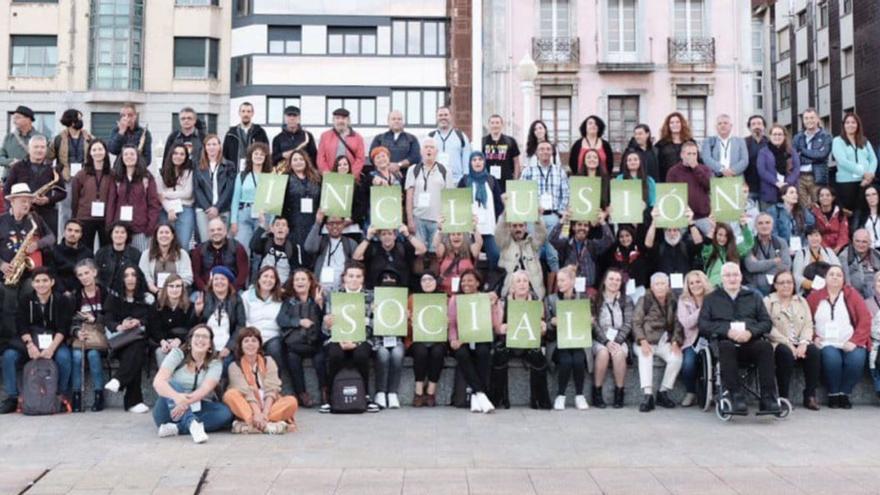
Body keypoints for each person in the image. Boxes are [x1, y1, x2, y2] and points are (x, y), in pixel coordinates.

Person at [698, 262, 779, 415]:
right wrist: (726, 331)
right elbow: (703, 325)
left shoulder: (754, 296)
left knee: (765, 347)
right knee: (726, 347)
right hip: (724, 343)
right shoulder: (711, 299)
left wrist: (750, 332)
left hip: (750, 342)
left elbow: (766, 323)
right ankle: (735, 396)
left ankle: (768, 398)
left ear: (741, 277)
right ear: (721, 278)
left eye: (735, 275)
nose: (732, 278)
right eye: (728, 275)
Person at [0, 267, 73, 414]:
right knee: (9, 356)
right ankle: (13, 398)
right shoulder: (25, 299)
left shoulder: (62, 300)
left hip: (54, 340)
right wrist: (30, 346)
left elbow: (63, 328)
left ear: (52, 282)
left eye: (45, 280)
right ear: (32, 284)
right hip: (30, 339)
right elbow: (21, 325)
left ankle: (59, 395)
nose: (41, 284)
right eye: (37, 281)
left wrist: (51, 348)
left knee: (64, 357)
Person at [152, 325, 233, 443]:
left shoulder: (215, 363)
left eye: (205, 337)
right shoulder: (177, 354)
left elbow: (205, 389)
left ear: (210, 344)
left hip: (196, 404)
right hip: (168, 410)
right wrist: (177, 398)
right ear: (190, 341)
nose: (200, 339)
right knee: (173, 384)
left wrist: (185, 402)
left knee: (225, 413)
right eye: (197, 336)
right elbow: (158, 382)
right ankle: (192, 424)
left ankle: (178, 428)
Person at [806, 264, 871, 409]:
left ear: (844, 279)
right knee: (831, 358)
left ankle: (845, 393)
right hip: (826, 342)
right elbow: (805, 320)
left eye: (839, 275)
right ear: (825, 278)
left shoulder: (852, 294)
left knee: (857, 359)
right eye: (831, 274)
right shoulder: (814, 297)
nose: (835, 277)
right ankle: (833, 394)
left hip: (850, 341)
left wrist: (855, 341)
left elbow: (865, 319)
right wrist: (814, 336)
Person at [320, 262, 380, 413]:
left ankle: (365, 395)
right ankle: (331, 397)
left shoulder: (371, 296)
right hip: (338, 338)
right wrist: (328, 326)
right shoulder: (334, 296)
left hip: (362, 338)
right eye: (351, 276)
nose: (354, 279)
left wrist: (356, 341)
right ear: (344, 278)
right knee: (335, 354)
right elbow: (326, 326)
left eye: (358, 276)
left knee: (361, 354)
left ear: (362, 279)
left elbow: (373, 324)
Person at [0, 183, 55, 345]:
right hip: (8, 273)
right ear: (12, 201)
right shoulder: (1, 220)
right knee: (9, 306)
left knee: (28, 304)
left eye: (29, 201)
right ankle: (10, 341)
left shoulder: (34, 219)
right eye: (23, 201)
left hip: (29, 274)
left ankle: (28, 338)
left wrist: (37, 245)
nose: (27, 204)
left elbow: (51, 237)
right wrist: (2, 264)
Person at [223, 327, 298, 434]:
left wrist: (264, 414)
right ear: (241, 345)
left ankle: (251, 426)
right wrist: (257, 413)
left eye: (254, 340)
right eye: (246, 341)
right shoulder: (234, 366)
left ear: (259, 344)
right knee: (230, 395)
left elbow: (272, 389)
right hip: (247, 406)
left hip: (269, 405)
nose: (250, 344)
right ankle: (267, 425)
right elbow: (246, 392)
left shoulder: (269, 361)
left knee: (291, 401)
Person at [493, 270, 550, 410]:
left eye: (525, 281)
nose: (522, 284)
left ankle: (539, 400)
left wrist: (543, 328)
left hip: (528, 342)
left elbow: (542, 326)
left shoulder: (537, 302)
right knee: (499, 356)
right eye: (518, 281)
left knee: (538, 357)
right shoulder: (503, 302)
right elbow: (496, 328)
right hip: (509, 342)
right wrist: (502, 328)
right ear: (512, 286)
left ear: (529, 284)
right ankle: (498, 398)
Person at [764, 271, 820, 410]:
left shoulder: (801, 301)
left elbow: (808, 324)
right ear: (775, 285)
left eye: (789, 282)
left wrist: (804, 342)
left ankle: (810, 395)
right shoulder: (768, 301)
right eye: (781, 283)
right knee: (785, 354)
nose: (786, 286)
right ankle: (784, 397)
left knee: (814, 352)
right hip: (779, 342)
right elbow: (767, 327)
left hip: (799, 341)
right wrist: (788, 343)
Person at [447, 269, 497, 413]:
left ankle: (476, 395)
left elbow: (492, 323)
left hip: (480, 337)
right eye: (463, 281)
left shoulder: (484, 298)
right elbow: (452, 324)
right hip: (461, 340)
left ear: (477, 283)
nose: (465, 284)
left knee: (483, 352)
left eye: (470, 280)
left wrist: (494, 305)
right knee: (462, 354)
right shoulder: (455, 299)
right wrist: (453, 339)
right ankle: (481, 394)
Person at [631, 273, 683, 412]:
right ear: (652, 286)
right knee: (645, 356)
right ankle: (648, 395)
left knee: (676, 358)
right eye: (657, 284)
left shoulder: (673, 300)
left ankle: (663, 392)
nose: (660, 287)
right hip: (644, 340)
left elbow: (678, 323)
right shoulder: (644, 300)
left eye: (663, 284)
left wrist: (675, 341)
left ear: (668, 286)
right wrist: (642, 340)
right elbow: (636, 322)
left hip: (663, 341)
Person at [102, 264, 150, 413]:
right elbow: (107, 319)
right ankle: (133, 401)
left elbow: (153, 320)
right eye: (126, 275)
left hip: (141, 338)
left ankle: (119, 380)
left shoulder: (147, 298)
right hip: (120, 341)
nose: (130, 279)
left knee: (136, 347)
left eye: (133, 275)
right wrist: (119, 326)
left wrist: (139, 322)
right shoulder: (114, 298)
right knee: (133, 352)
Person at [277, 268, 326, 408]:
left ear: (310, 282)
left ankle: (324, 390)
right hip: (296, 343)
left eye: (303, 279)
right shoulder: (288, 301)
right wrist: (298, 322)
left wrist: (320, 305)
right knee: (292, 359)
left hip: (315, 342)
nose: (300, 282)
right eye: (297, 279)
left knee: (320, 358)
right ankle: (302, 394)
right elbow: (281, 319)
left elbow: (325, 321)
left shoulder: (318, 298)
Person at [546, 266, 590, 410]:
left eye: (563, 280)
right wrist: (552, 323)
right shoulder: (550, 299)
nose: (559, 283)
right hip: (558, 342)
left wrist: (590, 321)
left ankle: (579, 395)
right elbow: (545, 325)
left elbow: (590, 326)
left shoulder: (582, 299)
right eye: (558, 281)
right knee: (566, 360)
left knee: (578, 360)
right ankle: (560, 395)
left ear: (572, 281)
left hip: (578, 341)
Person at [5, 135, 66, 236]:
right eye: (36, 147)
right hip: (23, 215)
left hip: (47, 215)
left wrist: (48, 199)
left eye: (42, 147)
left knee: (48, 247)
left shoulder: (53, 168)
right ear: (29, 149)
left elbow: (63, 192)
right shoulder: (17, 167)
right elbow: (7, 190)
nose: (39, 150)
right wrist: (12, 209)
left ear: (46, 149)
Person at [105, 144, 162, 252]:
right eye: (125, 154)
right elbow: (111, 203)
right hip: (121, 229)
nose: (129, 157)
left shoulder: (146, 177)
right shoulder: (117, 177)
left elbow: (153, 203)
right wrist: (110, 226)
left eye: (132, 154)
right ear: (121, 157)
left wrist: (150, 227)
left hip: (141, 228)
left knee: (140, 260)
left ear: (137, 156)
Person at [69, 259, 108, 412]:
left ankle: (99, 395)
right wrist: (77, 332)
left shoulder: (104, 292)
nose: (84, 277)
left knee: (93, 355)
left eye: (87, 273)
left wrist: (96, 319)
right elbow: (69, 320)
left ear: (94, 273)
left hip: (99, 336)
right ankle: (77, 395)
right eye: (80, 275)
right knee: (77, 356)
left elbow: (111, 316)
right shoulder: (75, 295)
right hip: (81, 335)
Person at [590, 268, 631, 408]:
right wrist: (606, 342)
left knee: (619, 354)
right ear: (605, 281)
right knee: (603, 353)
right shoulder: (595, 298)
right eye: (611, 279)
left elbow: (628, 323)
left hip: (620, 338)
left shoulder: (626, 299)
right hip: (600, 338)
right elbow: (593, 324)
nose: (614, 282)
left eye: (618, 280)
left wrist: (617, 341)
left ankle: (619, 392)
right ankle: (597, 392)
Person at [405, 137, 455, 250]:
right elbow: (409, 197)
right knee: (418, 253)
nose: (429, 150)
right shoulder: (413, 170)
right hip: (418, 219)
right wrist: (410, 220)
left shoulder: (445, 171)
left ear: (436, 152)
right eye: (426, 147)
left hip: (438, 220)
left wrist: (447, 221)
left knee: (436, 254)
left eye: (432, 147)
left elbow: (450, 198)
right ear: (421, 151)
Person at [193, 266, 246, 370]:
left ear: (228, 282)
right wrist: (197, 312)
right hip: (205, 344)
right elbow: (194, 326)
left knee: (224, 366)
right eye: (216, 279)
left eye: (223, 279)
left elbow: (241, 325)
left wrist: (229, 347)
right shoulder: (204, 297)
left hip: (226, 345)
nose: (219, 282)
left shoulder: (236, 299)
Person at [242, 266, 286, 391]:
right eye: (265, 276)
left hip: (273, 337)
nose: (268, 280)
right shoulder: (246, 296)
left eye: (272, 277)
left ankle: (275, 387)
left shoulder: (281, 297)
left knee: (275, 348)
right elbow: (243, 319)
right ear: (259, 279)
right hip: (252, 335)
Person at [457, 151, 504, 267]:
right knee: (468, 256)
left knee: (495, 255)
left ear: (484, 162)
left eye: (480, 159)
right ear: (470, 163)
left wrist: (492, 218)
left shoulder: (491, 180)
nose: (477, 162)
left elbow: (499, 204)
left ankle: (490, 282)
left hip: (488, 228)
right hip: (470, 229)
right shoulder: (465, 181)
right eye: (474, 160)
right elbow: (458, 203)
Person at [408, 271, 447, 407]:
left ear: (436, 282)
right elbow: (404, 326)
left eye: (430, 279)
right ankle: (418, 391)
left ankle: (431, 391)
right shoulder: (413, 299)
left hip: (437, 338)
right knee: (420, 351)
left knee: (438, 352)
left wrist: (447, 321)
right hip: (417, 338)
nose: (427, 282)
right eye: (424, 280)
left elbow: (451, 322)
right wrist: (409, 320)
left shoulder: (444, 299)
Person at [549, 209, 614, 290]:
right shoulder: (566, 244)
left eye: (586, 225)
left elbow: (609, 241)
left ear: (589, 229)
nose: (582, 228)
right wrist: (562, 220)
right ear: (573, 227)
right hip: (570, 289)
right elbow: (552, 239)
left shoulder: (593, 245)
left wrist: (602, 222)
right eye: (579, 224)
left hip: (589, 291)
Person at [520, 140, 569, 246]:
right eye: (541, 149)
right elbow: (522, 194)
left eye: (548, 149)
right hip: (534, 217)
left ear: (552, 152)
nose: (545, 152)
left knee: (553, 254)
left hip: (554, 216)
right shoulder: (528, 171)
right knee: (534, 251)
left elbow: (565, 195)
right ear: (537, 153)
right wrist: (533, 208)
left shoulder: (560, 171)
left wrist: (559, 214)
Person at [677, 270, 712, 407]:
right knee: (688, 364)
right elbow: (686, 323)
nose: (695, 285)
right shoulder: (683, 300)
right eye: (691, 283)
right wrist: (703, 309)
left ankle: (713, 392)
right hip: (692, 339)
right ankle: (690, 392)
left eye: (698, 282)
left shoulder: (713, 297)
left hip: (711, 337)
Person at [230, 142, 272, 254]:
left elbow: (273, 201)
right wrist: (233, 221)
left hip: (263, 215)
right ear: (251, 156)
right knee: (242, 249)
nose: (258, 156)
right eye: (256, 153)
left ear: (266, 157)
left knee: (259, 250)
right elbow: (235, 199)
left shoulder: (271, 176)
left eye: (262, 154)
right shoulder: (242, 175)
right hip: (244, 213)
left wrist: (271, 221)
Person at [832, 112, 877, 215]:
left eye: (853, 122)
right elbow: (842, 161)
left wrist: (870, 174)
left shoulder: (864, 140)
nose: (850, 125)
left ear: (858, 125)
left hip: (865, 182)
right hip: (847, 184)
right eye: (847, 122)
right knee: (850, 213)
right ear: (843, 125)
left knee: (865, 212)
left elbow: (873, 159)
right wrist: (863, 172)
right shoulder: (837, 141)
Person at [353, 224, 425, 290]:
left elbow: (422, 250)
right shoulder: (372, 248)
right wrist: (368, 238)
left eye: (390, 234)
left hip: (401, 291)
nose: (387, 237)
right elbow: (356, 257)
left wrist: (407, 234)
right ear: (379, 237)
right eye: (383, 234)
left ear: (395, 236)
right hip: (376, 291)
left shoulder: (403, 248)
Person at [194, 134, 236, 243]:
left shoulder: (229, 166)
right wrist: (208, 208)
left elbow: (229, 189)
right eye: (209, 144)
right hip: (204, 211)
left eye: (214, 144)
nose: (211, 147)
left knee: (222, 241)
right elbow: (197, 189)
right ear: (205, 147)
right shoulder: (198, 166)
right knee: (206, 241)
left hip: (222, 209)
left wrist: (217, 207)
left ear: (219, 147)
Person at [70, 139, 112, 249]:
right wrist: (75, 219)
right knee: (85, 250)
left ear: (105, 152)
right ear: (90, 153)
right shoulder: (81, 175)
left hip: (106, 219)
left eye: (100, 149)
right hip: (85, 218)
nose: (97, 152)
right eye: (94, 150)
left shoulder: (112, 174)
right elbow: (75, 198)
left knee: (106, 250)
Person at [666, 141, 713, 235]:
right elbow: (670, 195)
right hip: (681, 216)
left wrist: (696, 168)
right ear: (682, 155)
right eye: (688, 154)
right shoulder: (673, 171)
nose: (691, 156)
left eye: (694, 154)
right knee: (674, 239)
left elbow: (710, 186)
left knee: (713, 238)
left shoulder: (705, 169)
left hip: (702, 216)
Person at [148, 274, 196, 366]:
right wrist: (162, 341)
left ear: (182, 288)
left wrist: (179, 340)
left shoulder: (190, 306)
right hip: (162, 343)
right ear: (166, 288)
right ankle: (164, 379)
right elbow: (154, 328)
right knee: (160, 353)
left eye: (178, 286)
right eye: (171, 286)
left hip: (183, 343)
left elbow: (190, 327)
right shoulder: (156, 306)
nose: (174, 289)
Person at [304, 209, 358, 293]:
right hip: (320, 289)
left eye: (338, 223)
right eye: (331, 223)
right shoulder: (321, 240)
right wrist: (317, 222)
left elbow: (356, 266)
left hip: (343, 290)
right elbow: (309, 248)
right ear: (326, 225)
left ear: (343, 224)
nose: (335, 226)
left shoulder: (351, 243)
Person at [190, 217, 249, 293]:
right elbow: (195, 275)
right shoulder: (199, 250)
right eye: (212, 230)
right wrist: (205, 289)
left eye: (219, 229)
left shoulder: (237, 248)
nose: (216, 232)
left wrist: (232, 289)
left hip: (233, 290)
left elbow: (243, 273)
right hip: (206, 290)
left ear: (225, 231)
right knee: (193, 299)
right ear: (208, 233)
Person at [280, 149, 321, 252]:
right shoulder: (285, 178)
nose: (298, 162)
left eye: (301, 159)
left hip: (313, 220)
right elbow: (282, 203)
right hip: (294, 222)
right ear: (290, 163)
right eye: (295, 160)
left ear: (306, 161)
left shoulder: (317, 178)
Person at [644, 207, 703, 277]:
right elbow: (648, 244)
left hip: (684, 285)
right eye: (669, 230)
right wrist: (654, 223)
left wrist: (691, 223)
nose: (672, 234)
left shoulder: (686, 246)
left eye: (675, 230)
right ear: (664, 232)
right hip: (664, 286)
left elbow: (698, 242)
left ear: (680, 232)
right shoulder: (660, 247)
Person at [496, 214, 545, 299]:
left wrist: (538, 218)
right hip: (510, 291)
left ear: (526, 227)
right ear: (509, 227)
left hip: (533, 292)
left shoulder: (532, 242)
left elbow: (541, 235)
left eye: (521, 226)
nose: (518, 229)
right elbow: (499, 232)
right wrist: (505, 213)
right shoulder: (505, 242)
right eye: (514, 226)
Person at [157, 143, 196, 249]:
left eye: (182, 154)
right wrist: (169, 209)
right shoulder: (162, 172)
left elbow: (188, 193)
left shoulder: (189, 172)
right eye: (175, 153)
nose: (178, 156)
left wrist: (166, 194)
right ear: (170, 155)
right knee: (165, 245)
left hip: (185, 209)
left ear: (186, 157)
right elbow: (159, 195)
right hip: (166, 211)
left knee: (183, 244)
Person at [138, 223, 194, 297]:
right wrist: (156, 291)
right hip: (153, 292)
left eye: (167, 233)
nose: (164, 235)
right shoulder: (146, 254)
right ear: (156, 236)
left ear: (172, 236)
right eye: (161, 233)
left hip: (177, 293)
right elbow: (144, 275)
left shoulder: (182, 254)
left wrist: (173, 289)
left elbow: (187, 277)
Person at [793, 108, 833, 209]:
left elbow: (822, 155)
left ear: (818, 119)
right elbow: (793, 157)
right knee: (803, 208)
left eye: (812, 117)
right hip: (800, 177)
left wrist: (802, 151)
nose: (809, 120)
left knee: (819, 207)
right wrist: (813, 156)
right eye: (806, 118)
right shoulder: (798, 137)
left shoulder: (826, 136)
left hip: (817, 177)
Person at [744, 213, 791, 296]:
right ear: (755, 226)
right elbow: (751, 267)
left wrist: (759, 265)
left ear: (772, 225)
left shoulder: (781, 242)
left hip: (777, 286)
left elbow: (785, 266)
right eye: (760, 223)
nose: (764, 226)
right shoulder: (749, 243)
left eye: (767, 222)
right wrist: (774, 262)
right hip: (755, 288)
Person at [757, 125, 800, 210]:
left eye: (780, 134)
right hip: (769, 192)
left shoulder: (792, 151)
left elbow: (796, 169)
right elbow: (762, 170)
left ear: (784, 136)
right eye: (774, 134)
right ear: (770, 136)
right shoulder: (763, 152)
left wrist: (787, 183)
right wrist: (776, 182)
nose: (777, 137)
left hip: (789, 192)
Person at [250, 215, 303, 286]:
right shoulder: (266, 242)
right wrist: (261, 227)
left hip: (283, 286)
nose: (280, 227)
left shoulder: (293, 247)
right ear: (272, 229)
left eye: (283, 225)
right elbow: (253, 246)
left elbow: (296, 270)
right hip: (264, 283)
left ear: (287, 230)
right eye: (277, 225)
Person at [702, 218, 753, 287]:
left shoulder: (735, 250)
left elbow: (748, 243)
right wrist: (712, 231)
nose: (722, 238)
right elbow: (707, 246)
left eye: (726, 236)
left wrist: (744, 227)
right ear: (715, 234)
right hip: (714, 287)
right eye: (720, 235)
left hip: (732, 287)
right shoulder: (711, 250)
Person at [433, 225, 482, 296]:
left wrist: (475, 228)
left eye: (459, 234)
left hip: (465, 293)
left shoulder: (470, 249)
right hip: (445, 293)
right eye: (453, 234)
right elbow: (436, 244)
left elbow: (479, 243)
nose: (456, 237)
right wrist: (439, 229)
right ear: (449, 237)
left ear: (464, 237)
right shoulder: (444, 250)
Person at [316, 108, 366, 177]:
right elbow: (321, 157)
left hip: (351, 179)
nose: (340, 121)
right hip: (330, 178)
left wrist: (351, 175)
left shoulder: (358, 138)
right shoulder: (325, 136)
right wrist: (327, 174)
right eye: (337, 118)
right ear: (333, 120)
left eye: (343, 118)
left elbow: (360, 159)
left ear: (348, 120)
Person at [791, 225, 840, 295]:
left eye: (816, 235)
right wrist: (812, 285)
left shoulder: (829, 252)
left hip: (828, 288)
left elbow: (838, 269)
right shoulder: (801, 253)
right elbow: (796, 275)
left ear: (821, 237)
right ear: (806, 238)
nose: (814, 238)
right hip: (808, 290)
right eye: (811, 236)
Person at [428, 106, 471, 184]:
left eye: (445, 115)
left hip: (456, 181)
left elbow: (466, 160)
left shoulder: (461, 136)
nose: (443, 117)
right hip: (434, 181)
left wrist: (465, 178)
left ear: (451, 117)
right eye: (440, 115)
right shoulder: (430, 137)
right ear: (436, 117)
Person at [601, 224, 651, 291]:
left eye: (627, 235)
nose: (625, 239)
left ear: (632, 236)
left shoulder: (640, 249)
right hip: (619, 288)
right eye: (621, 236)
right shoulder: (613, 251)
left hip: (638, 288)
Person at [369, 110, 421, 175]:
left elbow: (415, 157)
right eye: (393, 119)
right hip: (382, 177)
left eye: (399, 119)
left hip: (406, 176)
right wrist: (387, 166)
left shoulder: (412, 139)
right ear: (388, 121)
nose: (396, 121)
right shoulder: (379, 138)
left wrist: (399, 165)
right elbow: (372, 156)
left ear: (403, 122)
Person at [94, 222, 141, 290]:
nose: (119, 235)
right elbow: (95, 275)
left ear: (127, 235)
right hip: (105, 293)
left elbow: (139, 276)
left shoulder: (135, 254)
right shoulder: (101, 253)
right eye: (116, 232)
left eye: (122, 232)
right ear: (111, 235)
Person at [222, 101, 269, 169]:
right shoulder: (230, 134)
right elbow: (225, 155)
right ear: (239, 113)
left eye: (248, 111)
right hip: (235, 173)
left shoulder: (260, 132)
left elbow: (266, 153)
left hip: (255, 171)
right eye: (243, 111)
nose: (245, 114)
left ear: (252, 113)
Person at [51, 219, 91, 295]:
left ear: (81, 235)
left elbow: (88, 276)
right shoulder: (54, 251)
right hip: (58, 293)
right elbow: (53, 274)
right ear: (64, 232)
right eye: (70, 230)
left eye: (76, 231)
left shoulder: (87, 253)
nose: (72, 234)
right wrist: (63, 291)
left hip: (81, 293)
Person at [52, 109, 93, 184]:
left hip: (85, 177)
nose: (81, 121)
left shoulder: (89, 138)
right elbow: (48, 157)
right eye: (79, 118)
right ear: (72, 121)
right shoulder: (59, 139)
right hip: (66, 178)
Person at [701, 114, 748, 178]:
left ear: (731, 126)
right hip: (716, 178)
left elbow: (744, 160)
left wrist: (731, 171)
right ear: (716, 127)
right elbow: (706, 158)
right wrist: (722, 170)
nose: (722, 125)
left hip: (735, 178)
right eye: (719, 123)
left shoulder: (740, 141)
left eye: (725, 123)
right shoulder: (708, 141)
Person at [482, 114, 521, 192]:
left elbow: (516, 162)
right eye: (492, 123)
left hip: (506, 182)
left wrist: (515, 181)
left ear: (502, 125)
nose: (495, 125)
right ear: (489, 125)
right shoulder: (483, 141)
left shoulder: (510, 141)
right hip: (488, 181)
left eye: (497, 123)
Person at [838, 229, 880, 300]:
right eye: (857, 241)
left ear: (869, 243)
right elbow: (847, 282)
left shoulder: (876, 254)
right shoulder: (845, 256)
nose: (860, 245)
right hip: (856, 292)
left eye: (864, 242)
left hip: (876, 289)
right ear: (853, 241)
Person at [0, 105, 40, 177]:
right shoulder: (9, 138)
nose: (14, 121)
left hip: (32, 179)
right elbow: (1, 157)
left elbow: (46, 159)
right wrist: (10, 162)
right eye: (14, 118)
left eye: (17, 118)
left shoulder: (40, 138)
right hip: (9, 179)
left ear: (28, 119)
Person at [655, 112, 693, 182]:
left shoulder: (690, 142)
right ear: (668, 126)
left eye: (677, 122)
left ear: (682, 124)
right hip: (667, 181)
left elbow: (697, 162)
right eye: (671, 123)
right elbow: (657, 166)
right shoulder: (661, 144)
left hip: (688, 180)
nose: (675, 125)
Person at [810, 186, 850, 253]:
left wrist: (838, 247)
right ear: (819, 198)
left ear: (833, 198)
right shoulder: (813, 214)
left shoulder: (840, 213)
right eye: (821, 195)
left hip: (840, 248)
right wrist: (826, 250)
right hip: (821, 248)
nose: (824, 198)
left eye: (828, 195)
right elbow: (814, 233)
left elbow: (844, 233)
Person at [744, 115, 768, 200]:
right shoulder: (743, 143)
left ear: (764, 126)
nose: (756, 126)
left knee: (766, 213)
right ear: (749, 128)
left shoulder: (770, 143)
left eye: (759, 123)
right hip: (748, 187)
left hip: (767, 187)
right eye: (753, 124)